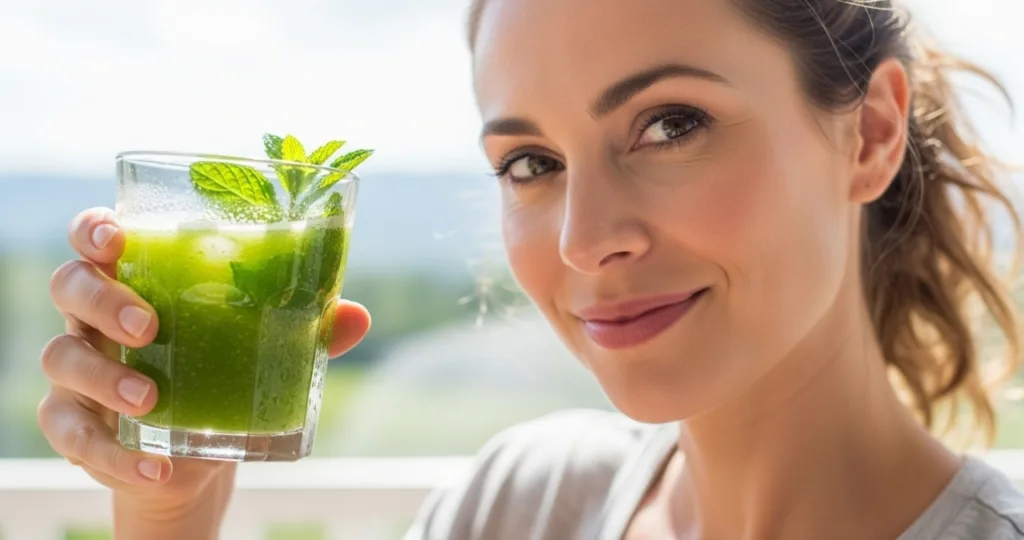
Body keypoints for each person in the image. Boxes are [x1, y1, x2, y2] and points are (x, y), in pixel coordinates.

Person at [38, 0, 1024, 538]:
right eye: (531, 164)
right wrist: (167, 516)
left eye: (669, 124)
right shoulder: (518, 506)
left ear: (871, 133)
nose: (581, 241)